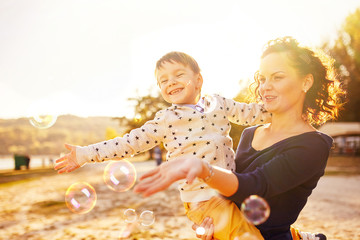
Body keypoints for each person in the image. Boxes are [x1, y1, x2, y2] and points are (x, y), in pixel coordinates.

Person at [134, 37, 345, 240]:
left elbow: (255, 186)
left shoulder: (313, 145)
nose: (264, 87)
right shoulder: (249, 133)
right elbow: (231, 196)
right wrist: (215, 227)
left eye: (277, 77)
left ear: (306, 82)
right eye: (262, 79)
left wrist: (202, 168)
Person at [54, 51, 271, 239]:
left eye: (178, 75)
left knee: (272, 229)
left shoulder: (219, 104)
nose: (171, 82)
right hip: (203, 199)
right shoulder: (166, 119)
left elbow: (252, 113)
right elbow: (129, 143)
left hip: (233, 188)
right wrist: (84, 154)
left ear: (198, 80)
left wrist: (288, 108)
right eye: (163, 80)